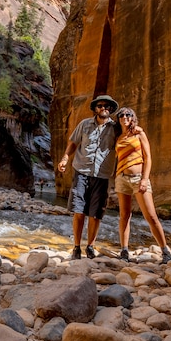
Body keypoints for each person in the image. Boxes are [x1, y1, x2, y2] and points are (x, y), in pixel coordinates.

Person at [58, 95, 120, 260]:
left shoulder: (116, 128)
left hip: (102, 176)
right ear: (95, 108)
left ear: (111, 109)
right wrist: (65, 158)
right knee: (79, 212)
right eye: (100, 105)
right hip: (81, 172)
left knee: (95, 214)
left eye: (107, 106)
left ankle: (90, 246)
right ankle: (76, 247)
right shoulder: (84, 124)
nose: (103, 108)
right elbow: (73, 143)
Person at [115, 106, 171, 264]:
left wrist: (145, 180)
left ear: (133, 117)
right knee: (124, 216)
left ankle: (165, 251)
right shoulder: (119, 138)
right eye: (121, 115)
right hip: (121, 178)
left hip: (138, 178)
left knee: (151, 216)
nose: (124, 117)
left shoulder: (139, 133)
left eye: (128, 114)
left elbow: (148, 157)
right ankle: (124, 250)